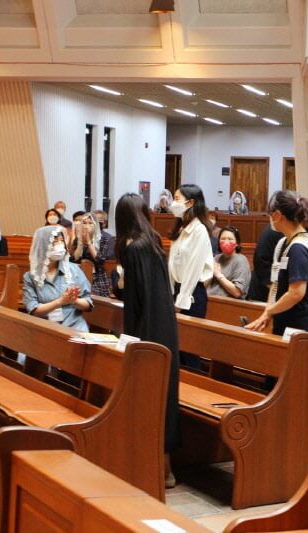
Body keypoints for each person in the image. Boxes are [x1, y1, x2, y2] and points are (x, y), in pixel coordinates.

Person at [113, 192, 180, 488]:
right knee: (165, 396)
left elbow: (134, 300)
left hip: (146, 328)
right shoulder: (153, 242)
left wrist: (130, 338)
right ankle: (165, 467)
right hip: (165, 327)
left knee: (147, 397)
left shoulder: (134, 248)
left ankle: (152, 467)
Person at [246, 191, 308, 336]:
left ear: (278, 215)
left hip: (299, 324)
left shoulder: (299, 248)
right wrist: (268, 312)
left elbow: (296, 293)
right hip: (285, 319)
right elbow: (275, 283)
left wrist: (270, 311)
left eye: (270, 214)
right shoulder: (284, 242)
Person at [168, 184, 214, 369]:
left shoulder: (199, 231)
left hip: (192, 293)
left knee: (189, 350)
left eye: (177, 199)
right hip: (178, 290)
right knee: (176, 349)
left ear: (190, 203)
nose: (173, 203)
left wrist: (180, 302)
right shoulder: (181, 229)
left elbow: (194, 269)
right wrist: (170, 294)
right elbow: (172, 265)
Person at [22, 225, 93, 332]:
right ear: (43, 245)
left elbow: (88, 303)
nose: (60, 245)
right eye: (55, 241)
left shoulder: (74, 270)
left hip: (75, 327)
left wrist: (75, 300)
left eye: (62, 241)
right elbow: (33, 309)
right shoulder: (31, 276)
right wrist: (60, 302)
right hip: (45, 329)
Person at [70, 212, 113, 297]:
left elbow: (100, 260)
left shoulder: (103, 239)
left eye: (90, 223)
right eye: (84, 223)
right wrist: (80, 243)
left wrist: (89, 243)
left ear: (96, 225)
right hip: (80, 275)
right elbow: (74, 260)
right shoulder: (78, 239)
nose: (87, 226)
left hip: (98, 277)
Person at [208, 226, 251, 299]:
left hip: (229, 303)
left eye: (230, 239)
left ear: (237, 243)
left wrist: (219, 275)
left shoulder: (241, 260)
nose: (226, 242)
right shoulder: (216, 258)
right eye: (223, 239)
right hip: (211, 298)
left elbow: (237, 292)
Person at [247, 223, 284, 302]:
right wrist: (273, 288)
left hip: (277, 288)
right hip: (262, 289)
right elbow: (260, 261)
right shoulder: (273, 230)